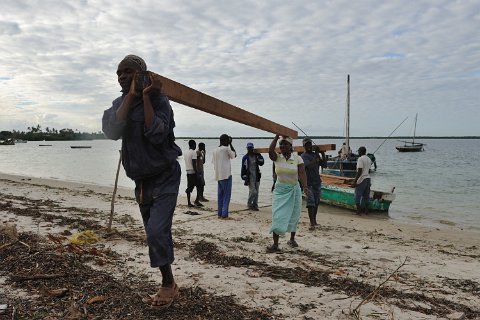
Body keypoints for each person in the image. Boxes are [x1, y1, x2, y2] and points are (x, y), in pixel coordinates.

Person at [102, 54, 180, 308]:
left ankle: (167, 286)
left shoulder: (160, 101)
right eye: (119, 73)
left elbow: (157, 134)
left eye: (128, 71)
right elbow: (112, 132)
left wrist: (146, 96)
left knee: (157, 230)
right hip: (142, 182)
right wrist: (133, 97)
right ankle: (169, 281)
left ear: (141, 74)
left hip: (165, 175)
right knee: (153, 234)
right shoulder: (118, 103)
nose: (122, 76)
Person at [267, 135, 308, 252]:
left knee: (294, 215)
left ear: (291, 147)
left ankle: (292, 239)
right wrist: (276, 137)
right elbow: (270, 150)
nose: (283, 146)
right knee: (278, 215)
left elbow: (302, 173)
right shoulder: (277, 157)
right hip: (280, 190)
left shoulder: (297, 158)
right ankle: (275, 244)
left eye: (286, 144)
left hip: (294, 189)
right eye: (281, 144)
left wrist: (305, 186)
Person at [300, 138, 326, 230]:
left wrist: (322, 153)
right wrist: (316, 155)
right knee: (311, 203)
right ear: (304, 146)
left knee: (316, 202)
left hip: (317, 182)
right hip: (309, 183)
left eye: (309, 144)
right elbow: (310, 166)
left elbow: (324, 165)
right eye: (306, 145)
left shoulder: (316, 155)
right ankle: (312, 222)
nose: (308, 146)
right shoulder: (303, 156)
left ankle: (314, 221)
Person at [212, 134, 236, 219]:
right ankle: (224, 214)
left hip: (218, 175)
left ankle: (220, 213)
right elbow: (234, 155)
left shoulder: (215, 150)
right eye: (228, 141)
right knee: (226, 196)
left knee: (220, 195)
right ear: (226, 141)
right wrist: (231, 144)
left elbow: (213, 162)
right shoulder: (226, 149)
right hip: (226, 175)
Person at [241, 142, 265, 211]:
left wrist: (259, 155)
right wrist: (244, 177)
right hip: (249, 176)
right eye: (248, 148)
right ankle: (249, 204)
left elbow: (262, 163)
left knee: (256, 191)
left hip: (257, 175)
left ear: (253, 148)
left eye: (251, 148)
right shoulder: (245, 157)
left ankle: (255, 205)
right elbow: (243, 168)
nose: (250, 150)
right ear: (247, 149)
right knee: (253, 191)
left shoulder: (256, 156)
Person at [352, 146, 372, 215]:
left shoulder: (360, 159)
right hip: (368, 178)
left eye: (358, 151)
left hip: (362, 179)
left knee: (357, 195)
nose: (358, 152)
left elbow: (359, 171)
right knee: (366, 196)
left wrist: (355, 181)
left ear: (360, 151)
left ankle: (358, 211)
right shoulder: (369, 159)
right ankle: (366, 211)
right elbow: (369, 170)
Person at [184, 139, 203, 207]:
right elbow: (194, 163)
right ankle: (196, 201)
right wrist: (197, 173)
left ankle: (189, 202)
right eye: (195, 145)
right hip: (193, 172)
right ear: (193, 145)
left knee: (189, 187)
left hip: (188, 172)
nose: (195, 146)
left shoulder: (186, 152)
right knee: (200, 185)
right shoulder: (193, 152)